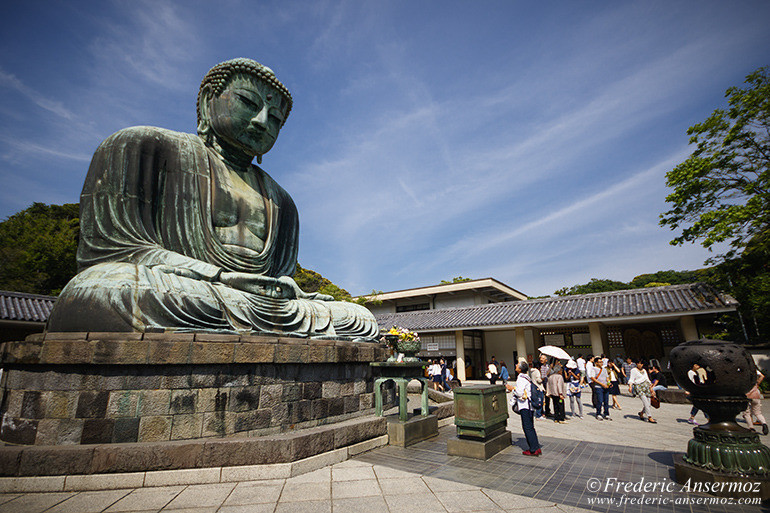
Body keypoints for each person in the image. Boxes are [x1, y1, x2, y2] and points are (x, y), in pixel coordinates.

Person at [46, 58, 379, 339]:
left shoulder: (283, 202)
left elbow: (280, 277)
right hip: (184, 289)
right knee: (106, 292)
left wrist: (286, 289)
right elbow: (112, 254)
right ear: (208, 100)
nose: (262, 122)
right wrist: (219, 277)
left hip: (254, 303)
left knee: (358, 318)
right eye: (249, 103)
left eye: (275, 119)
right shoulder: (142, 147)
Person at [508, 361, 541, 456]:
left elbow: (519, 392)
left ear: (520, 368)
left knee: (527, 427)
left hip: (525, 406)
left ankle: (533, 449)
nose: (515, 365)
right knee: (531, 427)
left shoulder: (521, 378)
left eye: (517, 364)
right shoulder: (527, 377)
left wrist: (512, 389)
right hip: (530, 405)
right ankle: (536, 447)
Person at [742, 370, 768, 435]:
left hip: (746, 393)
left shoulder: (743, 371)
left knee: (746, 413)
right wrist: (757, 383)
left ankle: (751, 428)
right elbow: (762, 376)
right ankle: (764, 423)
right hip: (755, 393)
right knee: (758, 412)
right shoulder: (754, 370)